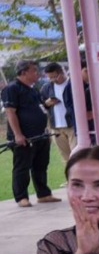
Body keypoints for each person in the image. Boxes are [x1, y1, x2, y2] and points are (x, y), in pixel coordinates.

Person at [4, 60, 59, 207]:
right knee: (22, 167)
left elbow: (42, 109)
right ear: (24, 72)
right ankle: (21, 197)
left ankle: (44, 194)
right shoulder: (13, 88)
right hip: (24, 137)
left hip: (40, 135)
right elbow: (10, 112)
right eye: (34, 70)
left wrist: (46, 131)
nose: (38, 73)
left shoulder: (33, 89)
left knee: (41, 165)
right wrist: (18, 135)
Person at [40, 62, 77, 160]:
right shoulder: (46, 88)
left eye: (55, 77)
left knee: (77, 156)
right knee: (66, 158)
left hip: (72, 126)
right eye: (50, 78)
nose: (53, 80)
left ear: (62, 72)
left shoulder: (73, 84)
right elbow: (40, 106)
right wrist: (47, 104)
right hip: (56, 128)